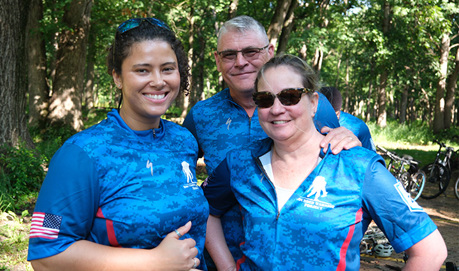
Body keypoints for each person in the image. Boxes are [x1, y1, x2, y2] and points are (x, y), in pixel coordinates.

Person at [203, 54, 447, 270]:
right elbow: (205, 210)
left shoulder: (358, 167)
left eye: (289, 96)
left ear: (313, 103)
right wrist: (226, 266)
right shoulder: (240, 162)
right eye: (265, 99)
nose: (276, 109)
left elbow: (430, 251)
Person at [27, 18, 208, 270]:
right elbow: (44, 252)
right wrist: (154, 261)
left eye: (167, 69)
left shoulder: (184, 141)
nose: (158, 81)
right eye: (142, 70)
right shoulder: (79, 154)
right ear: (117, 77)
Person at [182, 15, 361, 270]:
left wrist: (347, 137)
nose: (241, 62)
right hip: (221, 259)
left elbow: (352, 190)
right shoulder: (201, 116)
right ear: (217, 60)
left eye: (251, 52)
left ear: (270, 51)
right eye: (229, 55)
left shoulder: (308, 105)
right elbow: (184, 186)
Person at [320, 86, 376, 151]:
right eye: (323, 115)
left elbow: (371, 155)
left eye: (333, 115)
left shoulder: (358, 126)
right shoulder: (310, 122)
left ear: (338, 112)